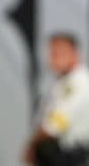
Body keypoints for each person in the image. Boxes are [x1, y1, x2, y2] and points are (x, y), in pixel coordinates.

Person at [25, 33, 89, 165]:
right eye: (52, 54)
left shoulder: (76, 84)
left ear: (74, 53)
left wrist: (32, 147)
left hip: (67, 155)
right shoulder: (64, 82)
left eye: (59, 54)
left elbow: (54, 125)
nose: (53, 59)